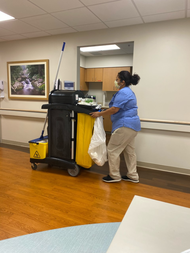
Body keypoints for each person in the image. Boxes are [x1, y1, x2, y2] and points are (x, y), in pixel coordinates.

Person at [90, 70, 141, 183]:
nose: (116, 81)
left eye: (117, 79)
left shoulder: (123, 92)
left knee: (112, 150)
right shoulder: (129, 91)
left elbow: (114, 109)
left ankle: (114, 176)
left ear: (123, 81)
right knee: (129, 152)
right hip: (133, 126)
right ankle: (133, 175)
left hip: (124, 126)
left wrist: (99, 113)